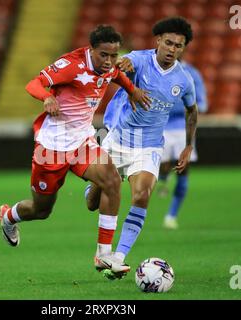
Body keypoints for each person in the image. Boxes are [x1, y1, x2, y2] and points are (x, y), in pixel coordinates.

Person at [0, 25, 151, 276]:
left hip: (82, 142)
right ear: (92, 50)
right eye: (104, 55)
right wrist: (46, 98)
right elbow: (33, 83)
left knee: (112, 180)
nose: (110, 61)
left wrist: (131, 90)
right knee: (41, 210)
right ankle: (9, 216)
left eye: (114, 56)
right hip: (52, 147)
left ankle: (104, 255)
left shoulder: (109, 64)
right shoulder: (71, 65)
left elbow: (115, 75)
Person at [85, 17, 198, 278]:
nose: (172, 49)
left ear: (183, 49)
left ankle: (116, 257)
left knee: (142, 195)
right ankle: (93, 188)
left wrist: (188, 146)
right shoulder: (140, 59)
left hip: (148, 146)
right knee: (92, 203)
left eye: (178, 46)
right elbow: (125, 62)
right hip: (118, 139)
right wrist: (123, 63)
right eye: (168, 42)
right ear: (158, 40)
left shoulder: (183, 79)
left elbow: (192, 112)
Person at [158, 57, 208, 230]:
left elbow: (201, 104)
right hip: (159, 125)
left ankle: (171, 215)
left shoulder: (191, 73)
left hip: (182, 127)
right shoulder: (155, 70)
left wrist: (185, 106)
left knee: (183, 170)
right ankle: (163, 178)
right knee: (162, 167)